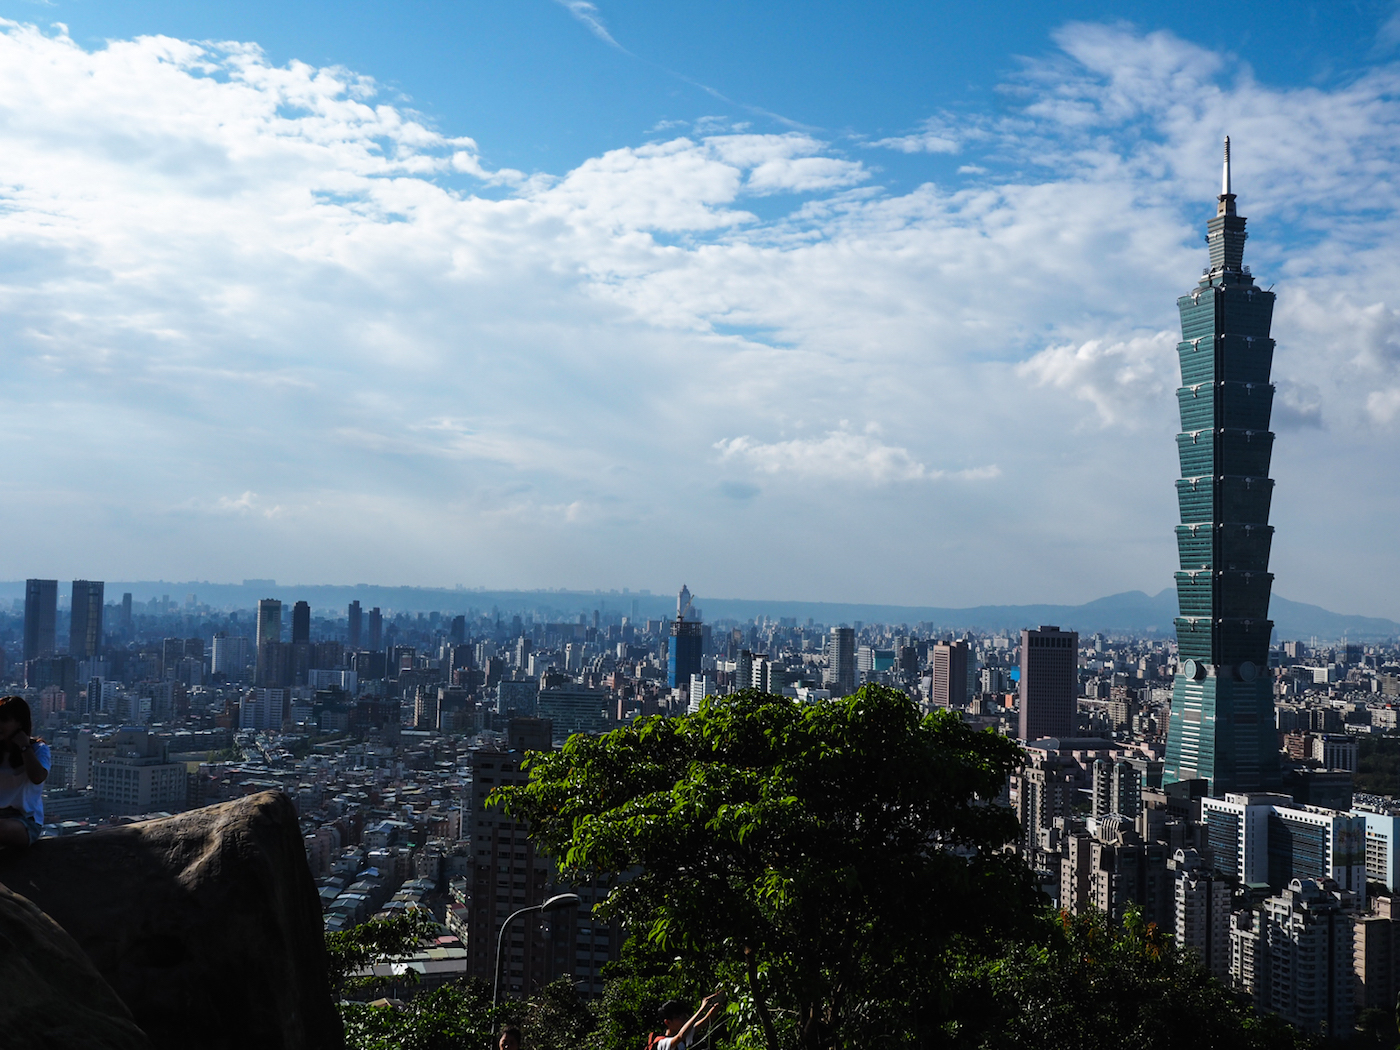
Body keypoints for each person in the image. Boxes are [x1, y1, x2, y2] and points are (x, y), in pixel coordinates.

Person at [0, 696, 49, 848]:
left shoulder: (38, 749)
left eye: (4, 720)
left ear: (19, 722)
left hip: (25, 821)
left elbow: (37, 777)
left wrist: (24, 746)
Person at [650, 994, 721, 1050]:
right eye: (679, 1017)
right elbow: (681, 1036)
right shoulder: (662, 1043)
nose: (684, 1019)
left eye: (684, 1015)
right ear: (668, 1022)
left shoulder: (684, 1035)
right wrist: (701, 1010)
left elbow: (707, 1020)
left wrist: (718, 1002)